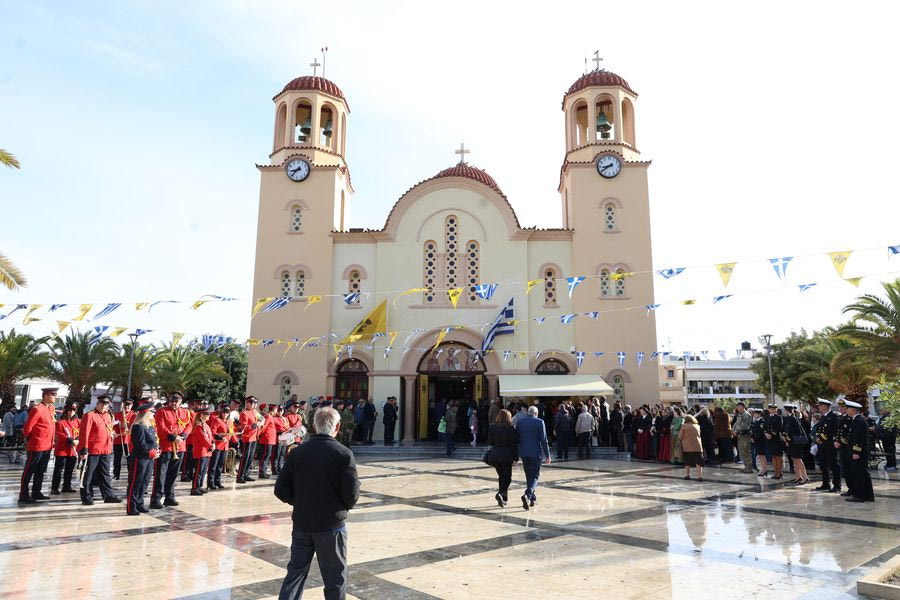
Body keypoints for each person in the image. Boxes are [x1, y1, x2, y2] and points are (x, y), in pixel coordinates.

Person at [274, 407, 360, 600]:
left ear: (314, 426)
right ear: (337, 427)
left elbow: (280, 489)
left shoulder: (297, 453)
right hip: (331, 525)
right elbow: (352, 494)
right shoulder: (343, 453)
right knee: (335, 578)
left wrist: (300, 502)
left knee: (295, 575)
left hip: (303, 522)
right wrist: (337, 507)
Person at [150, 392, 193, 508]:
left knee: (173, 474)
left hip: (180, 446)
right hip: (166, 446)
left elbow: (189, 425)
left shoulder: (185, 412)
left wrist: (183, 435)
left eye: (176, 401)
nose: (174, 403)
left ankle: (169, 496)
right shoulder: (162, 411)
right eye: (172, 401)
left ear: (181, 402)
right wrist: (172, 436)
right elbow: (160, 426)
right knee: (160, 474)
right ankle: (156, 499)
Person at [78, 395, 121, 505]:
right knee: (88, 475)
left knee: (105, 474)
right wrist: (83, 448)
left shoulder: (108, 416)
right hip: (92, 450)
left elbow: (108, 430)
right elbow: (84, 433)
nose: (103, 406)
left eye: (106, 404)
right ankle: (86, 496)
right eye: (101, 403)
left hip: (105, 449)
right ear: (97, 404)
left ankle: (108, 495)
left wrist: (112, 434)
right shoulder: (90, 415)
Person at [19, 387, 57, 504]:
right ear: (45, 395)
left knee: (41, 470)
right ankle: (23, 495)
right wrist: (32, 439)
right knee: (29, 470)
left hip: (47, 446)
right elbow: (27, 429)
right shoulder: (37, 409)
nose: (55, 396)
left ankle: (36, 491)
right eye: (53, 394)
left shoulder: (51, 408)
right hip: (37, 446)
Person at [126, 400, 160, 515]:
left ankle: (139, 503)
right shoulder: (138, 426)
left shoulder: (149, 426)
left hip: (149, 458)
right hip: (140, 458)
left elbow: (154, 440)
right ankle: (131, 506)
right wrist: (151, 452)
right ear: (146, 413)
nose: (153, 414)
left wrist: (157, 450)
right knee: (136, 482)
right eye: (151, 412)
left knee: (145, 482)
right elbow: (140, 444)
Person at [517, 406, 550, 510]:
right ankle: (528, 494)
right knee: (535, 475)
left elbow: (517, 438)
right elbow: (544, 440)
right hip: (535, 453)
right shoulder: (540, 422)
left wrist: (517, 453)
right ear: (536, 413)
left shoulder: (521, 422)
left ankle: (532, 499)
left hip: (524, 452)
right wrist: (548, 455)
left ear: (528, 412)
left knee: (529, 476)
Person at [844, 400, 875, 502]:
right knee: (863, 474)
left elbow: (858, 439)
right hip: (860, 452)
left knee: (859, 474)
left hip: (859, 453)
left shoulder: (858, 421)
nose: (846, 410)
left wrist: (856, 452)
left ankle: (860, 496)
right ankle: (868, 495)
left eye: (847, 408)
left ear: (852, 410)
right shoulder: (857, 420)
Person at [487, 409, 518, 507]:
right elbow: (514, 444)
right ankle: (500, 494)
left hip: (495, 455)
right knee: (507, 478)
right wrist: (516, 457)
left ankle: (504, 499)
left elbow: (490, 441)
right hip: (506, 455)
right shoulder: (510, 429)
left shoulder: (493, 427)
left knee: (501, 477)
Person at [51, 401, 80, 495]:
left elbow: (81, 432)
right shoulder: (60, 422)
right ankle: (55, 487)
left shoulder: (78, 422)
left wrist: (77, 440)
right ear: (66, 410)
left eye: (74, 410)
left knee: (69, 469)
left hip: (72, 450)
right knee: (59, 469)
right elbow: (60, 434)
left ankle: (67, 486)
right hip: (62, 449)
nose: (71, 412)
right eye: (70, 410)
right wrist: (71, 440)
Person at [814, 398, 841, 491]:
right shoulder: (823, 417)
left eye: (820, 405)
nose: (819, 407)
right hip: (821, 445)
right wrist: (817, 437)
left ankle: (837, 485)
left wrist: (820, 438)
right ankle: (825, 483)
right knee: (823, 465)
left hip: (829, 444)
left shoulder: (833, 416)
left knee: (833, 465)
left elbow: (831, 431)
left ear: (825, 406)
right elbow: (819, 429)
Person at [782, 404, 809, 485]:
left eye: (785, 410)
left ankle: (805, 477)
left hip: (796, 443)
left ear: (787, 410)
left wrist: (787, 439)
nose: (784, 412)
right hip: (793, 442)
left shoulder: (793, 418)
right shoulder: (791, 418)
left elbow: (795, 432)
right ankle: (798, 476)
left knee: (798, 460)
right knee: (795, 460)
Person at [236, 396, 261, 484]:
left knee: (250, 457)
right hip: (247, 437)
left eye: (254, 403)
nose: (254, 404)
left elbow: (261, 419)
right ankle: (240, 476)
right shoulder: (244, 413)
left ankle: (246, 474)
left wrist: (260, 422)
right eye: (252, 403)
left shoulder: (255, 411)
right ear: (247, 403)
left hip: (254, 437)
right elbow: (243, 427)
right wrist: (253, 426)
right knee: (245, 457)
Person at [190, 407, 214, 495]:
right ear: (201, 415)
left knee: (203, 471)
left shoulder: (206, 425)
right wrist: (210, 445)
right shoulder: (198, 426)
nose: (209, 415)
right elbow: (203, 439)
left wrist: (213, 443)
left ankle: (199, 486)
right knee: (198, 471)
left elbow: (210, 437)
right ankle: (195, 488)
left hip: (207, 451)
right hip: (201, 451)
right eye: (207, 414)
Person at [207, 402, 229, 489]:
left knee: (220, 465)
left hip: (225, 446)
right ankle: (210, 482)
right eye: (224, 412)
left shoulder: (228, 421)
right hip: (217, 445)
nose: (225, 414)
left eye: (227, 412)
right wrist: (220, 437)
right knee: (213, 465)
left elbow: (230, 432)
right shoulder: (217, 420)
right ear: (221, 412)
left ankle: (217, 481)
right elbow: (213, 432)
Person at [113, 399, 135, 480]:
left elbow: (135, 427)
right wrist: (118, 425)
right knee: (117, 459)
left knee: (130, 459)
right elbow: (112, 425)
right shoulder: (117, 414)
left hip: (128, 440)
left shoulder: (134, 415)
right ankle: (116, 475)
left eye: (129, 405)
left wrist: (128, 425)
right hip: (118, 439)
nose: (127, 407)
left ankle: (130, 475)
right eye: (126, 405)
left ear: (131, 406)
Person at [836, 399, 853, 496]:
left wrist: (842, 442)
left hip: (847, 446)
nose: (840, 409)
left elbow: (849, 433)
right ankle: (850, 488)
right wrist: (836, 441)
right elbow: (838, 431)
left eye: (842, 407)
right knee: (845, 469)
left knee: (849, 469)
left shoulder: (850, 418)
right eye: (840, 407)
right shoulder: (841, 417)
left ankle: (853, 489)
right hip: (841, 446)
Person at [678, 414, 704, 481]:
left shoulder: (684, 426)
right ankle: (700, 476)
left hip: (687, 447)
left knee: (687, 462)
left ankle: (687, 475)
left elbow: (680, 437)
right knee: (699, 463)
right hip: (697, 447)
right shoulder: (697, 426)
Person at [732, 402, 754, 473]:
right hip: (740, 436)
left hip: (745, 436)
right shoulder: (739, 414)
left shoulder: (746, 415)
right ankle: (746, 466)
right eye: (737, 406)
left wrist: (736, 431)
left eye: (739, 406)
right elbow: (736, 423)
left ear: (743, 406)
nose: (738, 408)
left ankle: (749, 467)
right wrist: (733, 430)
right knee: (742, 451)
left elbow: (745, 426)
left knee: (746, 451)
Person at [258, 404, 277, 479]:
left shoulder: (270, 416)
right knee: (265, 456)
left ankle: (264, 471)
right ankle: (261, 472)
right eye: (276, 409)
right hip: (267, 439)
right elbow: (264, 427)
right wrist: (259, 435)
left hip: (270, 439)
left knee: (267, 456)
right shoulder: (268, 416)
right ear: (274, 409)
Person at [876, 407, 897, 471]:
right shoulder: (884, 417)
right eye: (880, 410)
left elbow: (884, 427)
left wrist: (876, 429)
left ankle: (891, 465)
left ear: (886, 410)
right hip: (886, 438)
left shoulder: (889, 417)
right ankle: (890, 464)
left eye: (881, 410)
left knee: (890, 451)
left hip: (888, 438)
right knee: (888, 451)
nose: (880, 411)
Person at [750, 408, 768, 476]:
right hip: (757, 441)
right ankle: (763, 469)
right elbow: (754, 431)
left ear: (759, 414)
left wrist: (754, 438)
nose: (754, 415)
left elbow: (760, 433)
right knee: (760, 456)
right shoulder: (756, 421)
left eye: (755, 413)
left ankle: (764, 470)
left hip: (761, 441)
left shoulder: (761, 421)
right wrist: (752, 437)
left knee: (762, 456)